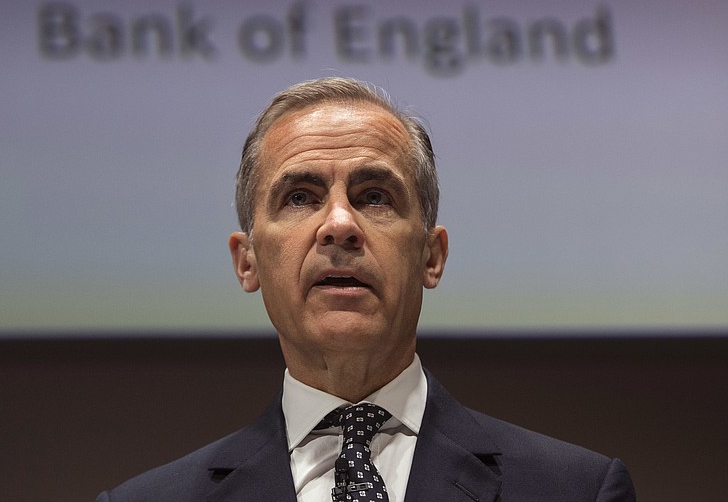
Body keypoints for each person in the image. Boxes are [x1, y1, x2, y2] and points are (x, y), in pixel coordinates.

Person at [97, 77, 636, 501]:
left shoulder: (576, 490)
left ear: (431, 255)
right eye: (301, 197)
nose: (339, 224)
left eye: (375, 196)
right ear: (248, 261)